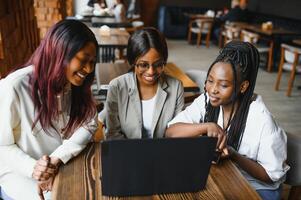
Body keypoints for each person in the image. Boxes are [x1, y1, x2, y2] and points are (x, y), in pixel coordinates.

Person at [166, 41, 289, 200]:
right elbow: (171, 132)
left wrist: (233, 154)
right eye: (210, 81)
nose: (213, 89)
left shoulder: (262, 120)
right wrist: (206, 126)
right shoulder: (207, 100)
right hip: (224, 177)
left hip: (256, 188)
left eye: (223, 85)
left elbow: (271, 175)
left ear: (243, 87)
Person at [0, 19, 99, 200]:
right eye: (84, 60)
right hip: (21, 178)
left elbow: (90, 121)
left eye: (93, 61)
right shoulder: (14, 86)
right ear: (60, 53)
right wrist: (35, 168)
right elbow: (2, 145)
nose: (89, 69)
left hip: (60, 168)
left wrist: (56, 159)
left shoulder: (72, 83)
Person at [105, 27, 184, 139]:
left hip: (164, 152)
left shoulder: (176, 87)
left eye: (158, 64)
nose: (151, 72)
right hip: (127, 153)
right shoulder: (117, 87)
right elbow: (113, 134)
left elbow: (178, 132)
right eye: (143, 65)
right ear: (132, 62)